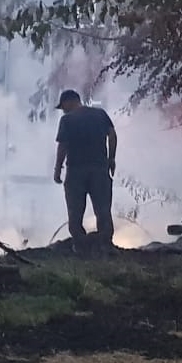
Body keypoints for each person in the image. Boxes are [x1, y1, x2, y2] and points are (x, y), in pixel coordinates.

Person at [52, 89, 118, 247]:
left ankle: (81, 246)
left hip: (76, 172)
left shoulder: (67, 120)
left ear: (70, 101)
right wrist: (111, 159)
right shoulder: (100, 114)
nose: (63, 110)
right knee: (103, 210)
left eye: (63, 107)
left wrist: (57, 168)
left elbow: (63, 146)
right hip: (100, 170)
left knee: (75, 213)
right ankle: (105, 245)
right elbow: (112, 135)